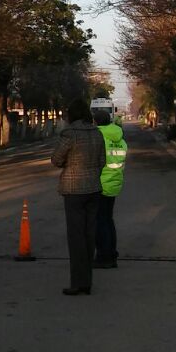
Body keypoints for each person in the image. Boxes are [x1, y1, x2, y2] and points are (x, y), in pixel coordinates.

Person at [51, 99, 105, 295]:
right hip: (93, 189)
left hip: (74, 191)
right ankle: (87, 282)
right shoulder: (97, 133)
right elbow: (102, 161)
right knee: (89, 235)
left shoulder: (70, 134)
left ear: (71, 115)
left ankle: (77, 283)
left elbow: (56, 159)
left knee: (76, 238)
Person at [93, 106, 127, 269]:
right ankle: (111, 253)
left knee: (100, 223)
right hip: (114, 182)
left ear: (95, 122)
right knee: (108, 220)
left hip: (100, 183)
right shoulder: (120, 139)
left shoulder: (98, 138)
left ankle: (104, 256)